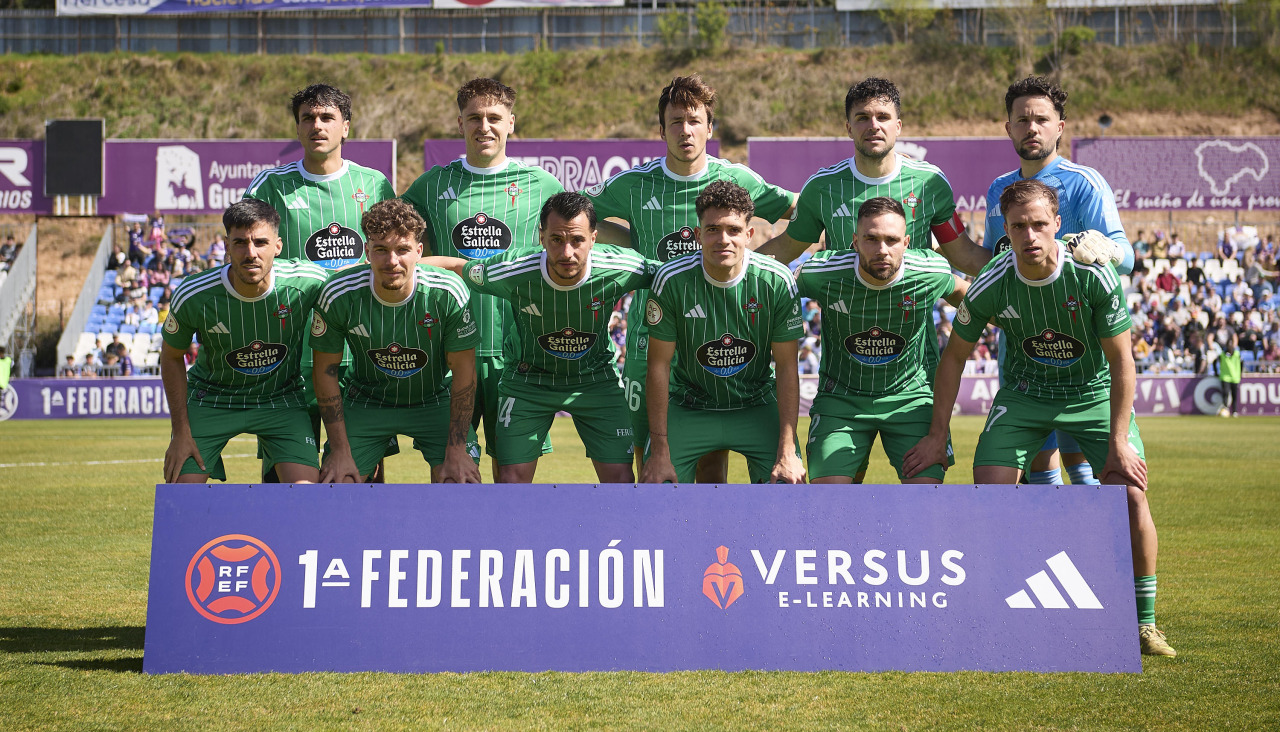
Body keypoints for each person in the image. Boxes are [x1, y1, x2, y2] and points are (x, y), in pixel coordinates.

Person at [904, 180, 1174, 657]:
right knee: (989, 487)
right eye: (1018, 227)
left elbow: (1122, 362)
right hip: (1026, 395)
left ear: (1058, 225)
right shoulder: (992, 282)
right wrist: (935, 434)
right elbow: (952, 360)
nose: (1030, 236)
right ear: (1005, 232)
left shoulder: (1093, 274)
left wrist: (1119, 440)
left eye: (1039, 225)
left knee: (1131, 493)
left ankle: (1145, 624)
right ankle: (999, 608)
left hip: (1092, 394)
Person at [584, 74, 797, 482]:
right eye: (676, 121)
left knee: (711, 459)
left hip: (715, 335)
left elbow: (804, 213)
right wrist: (634, 242)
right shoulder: (634, 183)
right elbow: (581, 215)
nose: (686, 130)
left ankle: (706, 543)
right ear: (662, 129)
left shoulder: (737, 180)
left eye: (695, 120)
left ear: (710, 128)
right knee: (650, 458)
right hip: (653, 338)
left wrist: (763, 261)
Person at [402, 77, 565, 475]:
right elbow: (399, 251)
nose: (484, 126)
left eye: (495, 117)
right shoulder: (429, 185)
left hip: (516, 354)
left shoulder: (543, 186)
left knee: (512, 479)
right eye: (474, 117)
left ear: (512, 122)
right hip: (449, 353)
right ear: (460, 124)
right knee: (451, 476)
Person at [427, 192, 645, 484]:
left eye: (577, 240)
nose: (567, 252)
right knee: (512, 480)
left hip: (596, 379)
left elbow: (675, 276)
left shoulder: (623, 267)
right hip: (529, 381)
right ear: (542, 237)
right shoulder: (513, 269)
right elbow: (457, 267)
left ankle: (614, 533)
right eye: (556, 239)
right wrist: (375, 272)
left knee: (620, 479)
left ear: (594, 238)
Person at [984, 75, 1136, 487]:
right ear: (1008, 127)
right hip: (1022, 349)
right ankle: (1049, 550)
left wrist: (1100, 246)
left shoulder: (1084, 182)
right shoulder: (999, 190)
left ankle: (1091, 549)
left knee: (1088, 465)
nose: (1031, 128)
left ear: (1059, 127)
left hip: (1085, 348)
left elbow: (1127, 256)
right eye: (1022, 120)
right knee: (1038, 460)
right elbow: (992, 262)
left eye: (1041, 119)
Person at [245, 83, 398, 482]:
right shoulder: (269, 187)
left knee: (362, 475)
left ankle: (360, 546)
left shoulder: (376, 185)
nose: (317, 125)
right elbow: (248, 258)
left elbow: (395, 258)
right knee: (286, 478)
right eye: (308, 118)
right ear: (297, 128)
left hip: (361, 353)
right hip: (291, 354)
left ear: (345, 126)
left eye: (327, 117)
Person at [640, 181, 805, 485]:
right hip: (690, 405)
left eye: (733, 230)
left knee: (788, 483)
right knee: (657, 484)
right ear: (699, 234)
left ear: (749, 234)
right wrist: (660, 449)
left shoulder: (777, 281)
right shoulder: (671, 280)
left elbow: (786, 366)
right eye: (713, 230)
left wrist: (788, 449)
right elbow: (658, 366)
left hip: (756, 403)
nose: (723, 239)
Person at [796, 196, 967, 484]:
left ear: (907, 242)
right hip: (841, 399)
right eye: (871, 239)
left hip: (910, 398)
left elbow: (973, 299)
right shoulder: (820, 273)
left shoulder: (930, 272)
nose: (882, 250)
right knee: (828, 502)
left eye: (892, 240)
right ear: (855, 241)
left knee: (924, 501)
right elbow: (771, 294)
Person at [312, 200, 482, 484]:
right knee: (338, 482)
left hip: (433, 399)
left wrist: (456, 448)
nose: (392, 261)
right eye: (381, 250)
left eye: (402, 249)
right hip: (367, 401)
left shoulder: (448, 291)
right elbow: (325, 372)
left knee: (458, 482)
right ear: (367, 252)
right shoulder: (339, 294)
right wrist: (340, 449)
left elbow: (464, 374)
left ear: (419, 251)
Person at [160, 199, 327, 484]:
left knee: (306, 494)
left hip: (280, 399)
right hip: (211, 398)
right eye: (240, 243)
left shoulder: (310, 282)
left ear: (278, 246)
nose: (251, 253)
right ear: (226, 245)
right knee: (183, 495)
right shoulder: (194, 294)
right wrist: (180, 431)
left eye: (261, 242)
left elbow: (358, 287)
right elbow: (171, 357)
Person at [1215, 336, 1242, 417]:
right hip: (1225, 377)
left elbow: (1242, 363)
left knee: (1234, 395)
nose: (1229, 346)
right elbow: (1215, 362)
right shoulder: (1222, 354)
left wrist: (1240, 373)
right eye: (1228, 345)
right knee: (1225, 393)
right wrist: (1217, 372)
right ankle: (1225, 409)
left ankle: (1234, 411)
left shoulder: (1237, 354)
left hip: (1235, 377)